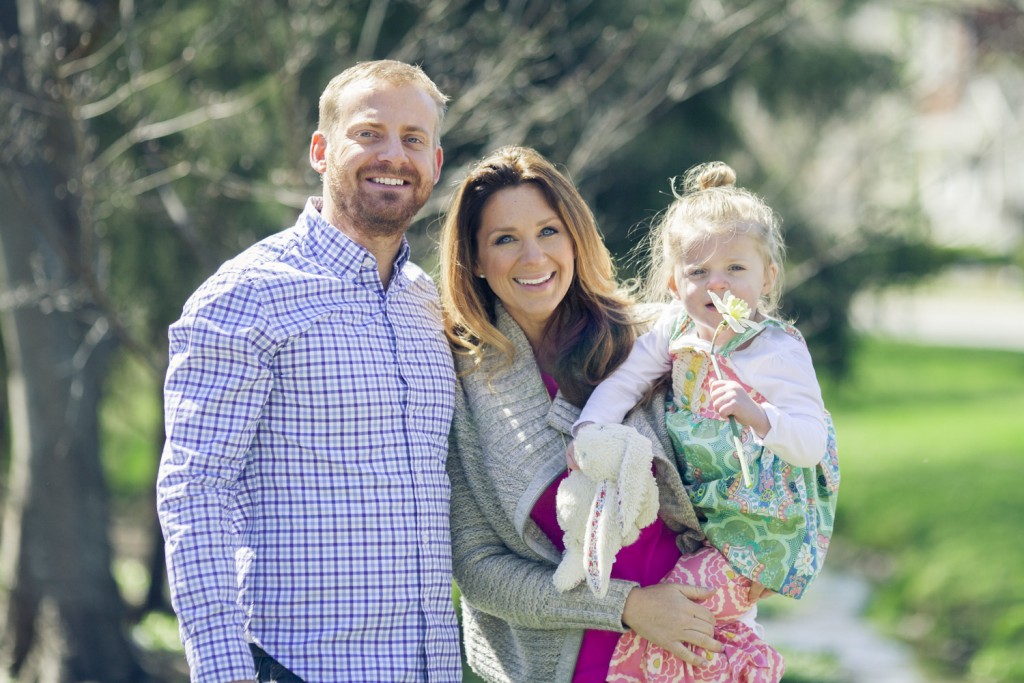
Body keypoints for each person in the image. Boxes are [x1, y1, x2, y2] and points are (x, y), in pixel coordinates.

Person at [156, 60, 460, 683]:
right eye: (369, 133)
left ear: (434, 161)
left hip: (428, 667)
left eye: (412, 139)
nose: (392, 155)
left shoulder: (428, 303)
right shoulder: (246, 297)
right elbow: (195, 494)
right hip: (296, 665)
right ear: (322, 149)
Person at [439, 145, 737, 683]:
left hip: (696, 647)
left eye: (548, 231)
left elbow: (745, 462)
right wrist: (627, 607)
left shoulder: (653, 340)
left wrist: (756, 562)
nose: (533, 257)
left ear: (575, 237)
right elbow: (479, 569)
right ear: (476, 260)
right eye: (506, 239)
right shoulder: (461, 388)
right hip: (561, 666)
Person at [572, 161, 841, 681]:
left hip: (763, 524)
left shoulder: (776, 351)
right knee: (701, 621)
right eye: (698, 273)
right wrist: (591, 431)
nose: (717, 285)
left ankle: (751, 668)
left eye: (736, 270)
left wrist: (758, 414)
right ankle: (735, 658)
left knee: (681, 613)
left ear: (768, 276)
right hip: (707, 518)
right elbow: (624, 384)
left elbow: (809, 442)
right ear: (674, 283)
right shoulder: (675, 329)